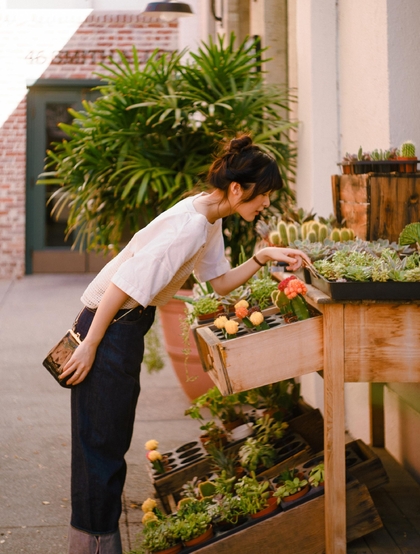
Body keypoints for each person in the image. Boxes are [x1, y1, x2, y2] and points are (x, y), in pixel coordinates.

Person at [60, 134, 311, 553]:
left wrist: (263, 258)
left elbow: (216, 283)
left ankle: (96, 544)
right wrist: (90, 344)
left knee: (107, 441)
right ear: (237, 189)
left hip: (124, 322)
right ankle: (93, 547)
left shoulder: (209, 218)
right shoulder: (192, 225)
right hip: (111, 321)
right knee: (100, 447)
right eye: (262, 195)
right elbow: (125, 282)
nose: (265, 203)